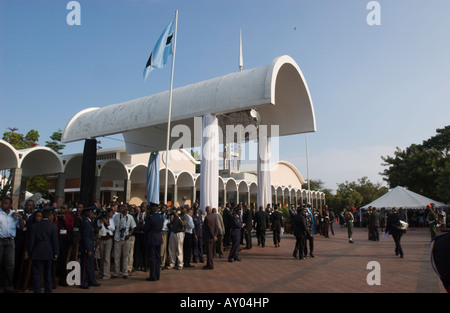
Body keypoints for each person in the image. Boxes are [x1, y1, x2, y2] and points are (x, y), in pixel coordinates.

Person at [27, 207, 59, 293]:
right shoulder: (53, 226)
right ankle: (48, 290)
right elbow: (55, 241)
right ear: (49, 215)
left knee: (37, 274)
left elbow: (31, 241)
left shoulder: (35, 226)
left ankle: (37, 290)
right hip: (48, 252)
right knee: (48, 273)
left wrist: (30, 253)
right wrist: (56, 253)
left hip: (37, 252)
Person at [0, 197, 24, 293]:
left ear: (10, 205)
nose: (3, 205)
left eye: (6, 203)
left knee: (10, 265)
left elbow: (22, 226)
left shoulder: (14, 214)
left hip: (10, 242)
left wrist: (20, 217)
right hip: (0, 240)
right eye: (3, 203)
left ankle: (8, 287)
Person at [79, 206, 101, 289]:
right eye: (91, 212)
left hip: (90, 246)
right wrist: (88, 249)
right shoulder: (85, 223)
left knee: (90, 265)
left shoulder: (89, 222)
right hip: (86, 248)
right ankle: (84, 282)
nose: (93, 214)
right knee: (85, 265)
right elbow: (85, 238)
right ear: (88, 213)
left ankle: (91, 280)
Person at [112, 203, 136, 278]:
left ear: (127, 208)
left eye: (124, 207)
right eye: (121, 207)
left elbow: (133, 227)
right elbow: (114, 227)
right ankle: (116, 272)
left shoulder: (130, 217)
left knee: (126, 256)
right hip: (117, 238)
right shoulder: (116, 217)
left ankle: (125, 272)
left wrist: (129, 234)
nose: (122, 208)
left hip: (126, 238)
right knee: (116, 256)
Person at [143, 203, 164, 281]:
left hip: (151, 238)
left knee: (152, 258)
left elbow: (146, 228)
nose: (149, 210)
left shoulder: (150, 218)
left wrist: (141, 226)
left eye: (150, 209)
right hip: (158, 238)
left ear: (153, 209)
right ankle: (157, 275)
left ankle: (153, 276)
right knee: (157, 258)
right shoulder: (160, 217)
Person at [55, 203, 74, 286]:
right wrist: (56, 219)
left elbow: (70, 228)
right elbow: (54, 227)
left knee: (63, 259)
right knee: (56, 259)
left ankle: (62, 279)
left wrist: (65, 220)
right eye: (61, 208)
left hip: (65, 239)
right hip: (58, 238)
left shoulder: (69, 217)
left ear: (67, 209)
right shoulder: (57, 216)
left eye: (64, 208)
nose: (62, 209)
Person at [97, 208, 115, 280]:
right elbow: (99, 227)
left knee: (107, 257)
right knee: (101, 257)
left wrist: (107, 224)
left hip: (109, 239)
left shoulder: (111, 220)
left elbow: (113, 229)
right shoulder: (100, 220)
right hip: (102, 239)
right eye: (110, 213)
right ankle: (101, 273)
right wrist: (101, 221)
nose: (111, 214)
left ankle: (106, 274)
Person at [167, 205, 185, 270]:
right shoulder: (175, 215)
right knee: (171, 248)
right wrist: (171, 216)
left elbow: (183, 224)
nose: (180, 210)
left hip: (180, 233)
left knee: (179, 249)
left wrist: (178, 217)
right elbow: (172, 222)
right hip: (173, 232)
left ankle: (180, 264)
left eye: (182, 209)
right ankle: (172, 263)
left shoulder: (185, 216)